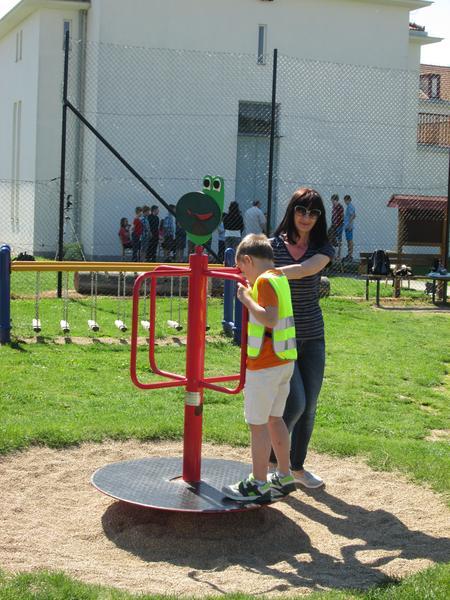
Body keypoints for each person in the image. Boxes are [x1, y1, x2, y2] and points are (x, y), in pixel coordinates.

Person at [223, 234, 297, 503]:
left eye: (242, 269)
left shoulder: (264, 281)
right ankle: (284, 475)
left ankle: (258, 483)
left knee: (258, 425)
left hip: (264, 365)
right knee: (275, 419)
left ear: (248, 260)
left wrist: (246, 299)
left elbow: (270, 317)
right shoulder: (279, 278)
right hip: (283, 361)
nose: (244, 276)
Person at [270, 188, 334, 489]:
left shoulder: (322, 247)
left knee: (310, 407)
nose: (306, 217)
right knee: (295, 403)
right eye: (301, 210)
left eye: (313, 213)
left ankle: (296, 468)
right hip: (283, 337)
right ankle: (273, 461)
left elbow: (306, 270)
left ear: (319, 218)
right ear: (292, 211)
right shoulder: (272, 246)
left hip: (313, 337)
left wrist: (268, 272)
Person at [328, 194, 344, 258]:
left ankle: (338, 255)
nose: (332, 202)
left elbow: (342, 217)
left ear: (336, 200)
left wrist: (339, 224)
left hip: (339, 225)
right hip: (333, 225)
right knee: (331, 237)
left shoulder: (340, 207)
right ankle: (332, 253)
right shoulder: (334, 207)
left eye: (332, 201)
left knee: (339, 239)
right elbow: (333, 216)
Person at [343, 194, 356, 260]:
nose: (345, 202)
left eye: (345, 200)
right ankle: (349, 254)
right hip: (347, 226)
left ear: (348, 200)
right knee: (348, 240)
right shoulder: (350, 206)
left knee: (350, 241)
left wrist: (350, 225)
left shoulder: (350, 206)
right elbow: (354, 215)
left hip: (348, 226)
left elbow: (352, 215)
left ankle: (350, 255)